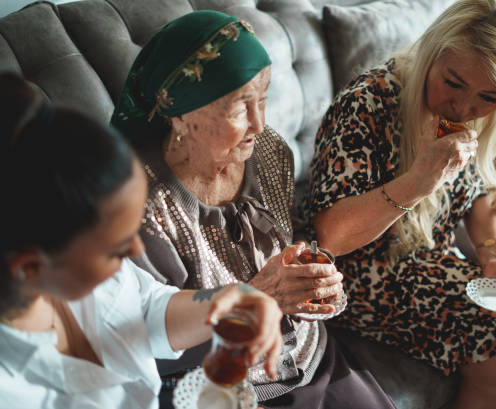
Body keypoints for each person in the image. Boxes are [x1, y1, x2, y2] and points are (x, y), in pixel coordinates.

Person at [110, 10, 396, 409]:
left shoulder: (268, 153)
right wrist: (261, 296)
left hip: (310, 357)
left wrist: (313, 282)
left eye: (263, 99)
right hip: (223, 384)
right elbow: (155, 342)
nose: (260, 124)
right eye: (241, 107)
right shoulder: (140, 207)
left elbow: (284, 248)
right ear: (182, 113)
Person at [304, 1, 496, 408]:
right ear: (431, 54)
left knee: (493, 367)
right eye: (453, 83)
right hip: (360, 276)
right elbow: (330, 237)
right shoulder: (366, 104)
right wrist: (420, 180)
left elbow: (484, 191)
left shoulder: (487, 115)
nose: (464, 108)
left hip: (429, 261)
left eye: (487, 97)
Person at [0, 72, 284, 409]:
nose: (137, 251)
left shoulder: (81, 272)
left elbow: (145, 308)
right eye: (118, 249)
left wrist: (230, 299)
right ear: (30, 267)